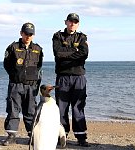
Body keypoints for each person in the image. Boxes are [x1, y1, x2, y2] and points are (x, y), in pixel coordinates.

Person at [3, 22, 43, 146]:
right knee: (13, 110)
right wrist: (16, 76)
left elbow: (39, 66)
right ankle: (11, 136)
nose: (28, 36)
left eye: (31, 34)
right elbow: (7, 64)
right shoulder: (13, 47)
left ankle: (32, 135)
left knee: (31, 111)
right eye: (26, 33)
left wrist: (35, 83)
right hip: (16, 85)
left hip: (31, 86)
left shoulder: (38, 49)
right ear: (21, 33)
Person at [52, 13, 89, 147]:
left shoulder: (82, 36)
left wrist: (67, 53)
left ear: (78, 24)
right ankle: (62, 136)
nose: (72, 23)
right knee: (61, 108)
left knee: (78, 109)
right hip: (63, 77)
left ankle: (81, 137)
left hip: (79, 77)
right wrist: (75, 51)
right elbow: (58, 53)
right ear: (66, 22)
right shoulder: (58, 36)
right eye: (70, 21)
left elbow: (84, 53)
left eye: (75, 22)